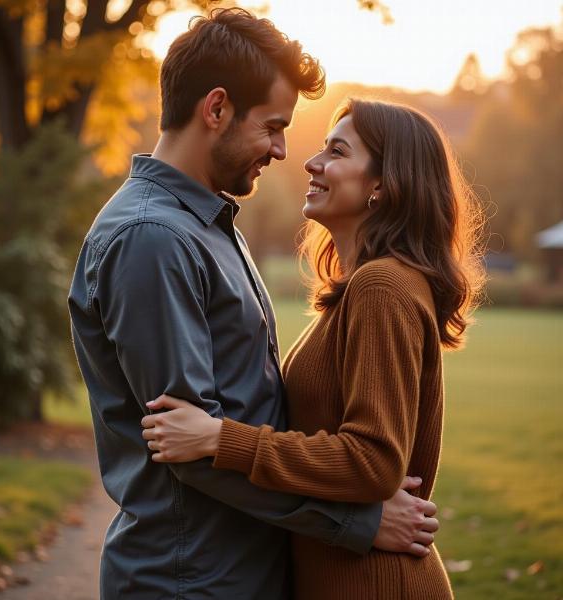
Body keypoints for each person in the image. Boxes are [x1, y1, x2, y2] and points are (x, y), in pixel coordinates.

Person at [69, 8, 439, 599]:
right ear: (215, 109)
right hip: (191, 580)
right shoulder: (152, 238)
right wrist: (357, 522)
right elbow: (187, 443)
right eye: (273, 126)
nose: (283, 149)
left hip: (243, 572)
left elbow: (230, 427)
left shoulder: (211, 226)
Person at [141, 98, 485, 599]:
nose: (312, 162)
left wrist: (220, 438)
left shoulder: (382, 288)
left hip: (376, 583)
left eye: (337, 151)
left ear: (384, 184)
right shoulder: (361, 289)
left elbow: (373, 461)